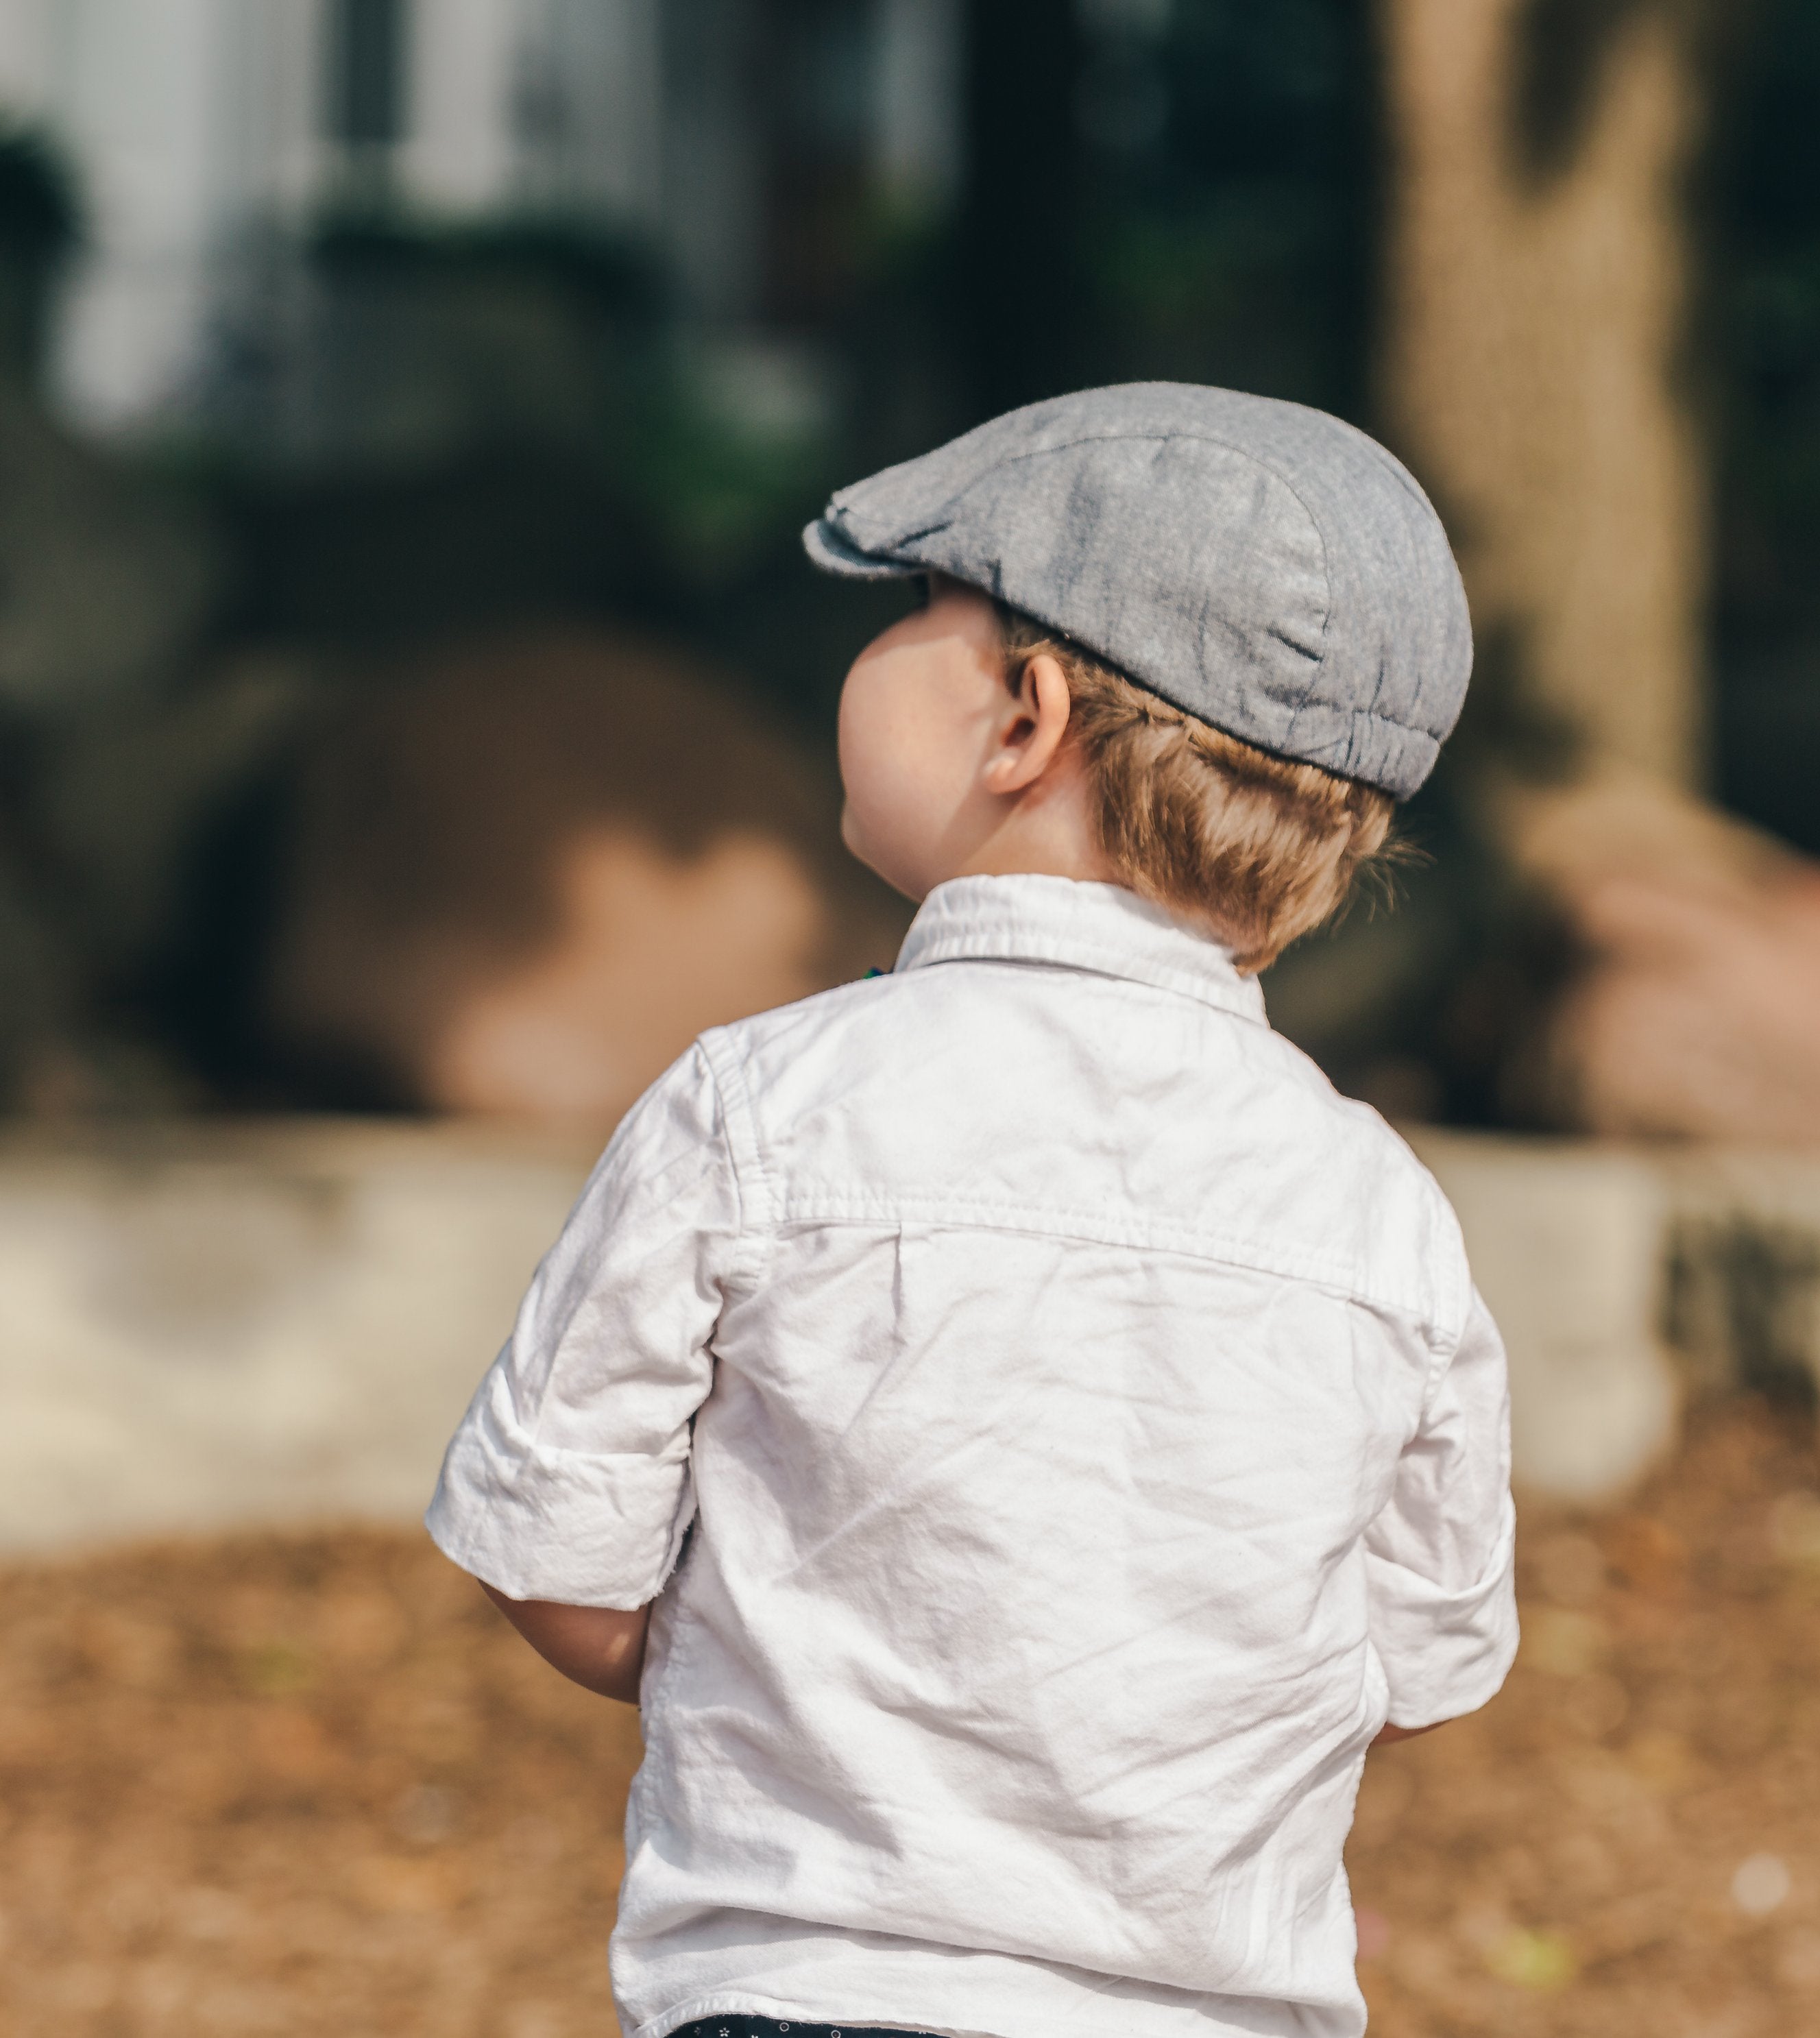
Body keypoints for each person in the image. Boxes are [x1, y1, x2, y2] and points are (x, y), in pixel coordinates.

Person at [427, 383, 1520, 2038]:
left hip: (801, 1991)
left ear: (1025, 715)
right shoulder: (1379, 1209)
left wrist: (786, 1670)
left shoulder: (754, 1107)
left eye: (919, 607)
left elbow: (558, 1554)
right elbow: (1426, 1661)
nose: (865, 650)